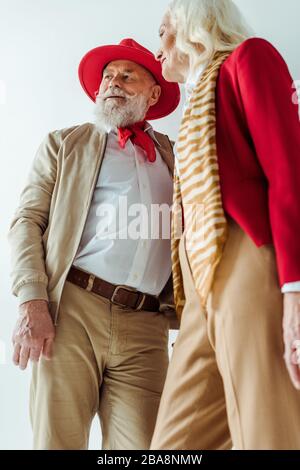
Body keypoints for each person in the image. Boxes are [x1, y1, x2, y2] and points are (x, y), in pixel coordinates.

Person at [9, 38, 180, 450]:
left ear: (153, 93)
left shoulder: (176, 155)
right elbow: (26, 221)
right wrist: (32, 300)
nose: (113, 83)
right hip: (72, 312)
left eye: (127, 75)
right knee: (58, 442)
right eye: (108, 76)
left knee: (147, 449)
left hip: (147, 322)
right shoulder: (64, 144)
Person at [151, 0, 300, 450]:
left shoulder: (248, 58)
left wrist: (294, 293)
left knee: (265, 428)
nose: (157, 49)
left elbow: (289, 173)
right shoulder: (194, 104)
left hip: (244, 261)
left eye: (162, 31)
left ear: (191, 21)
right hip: (197, 287)